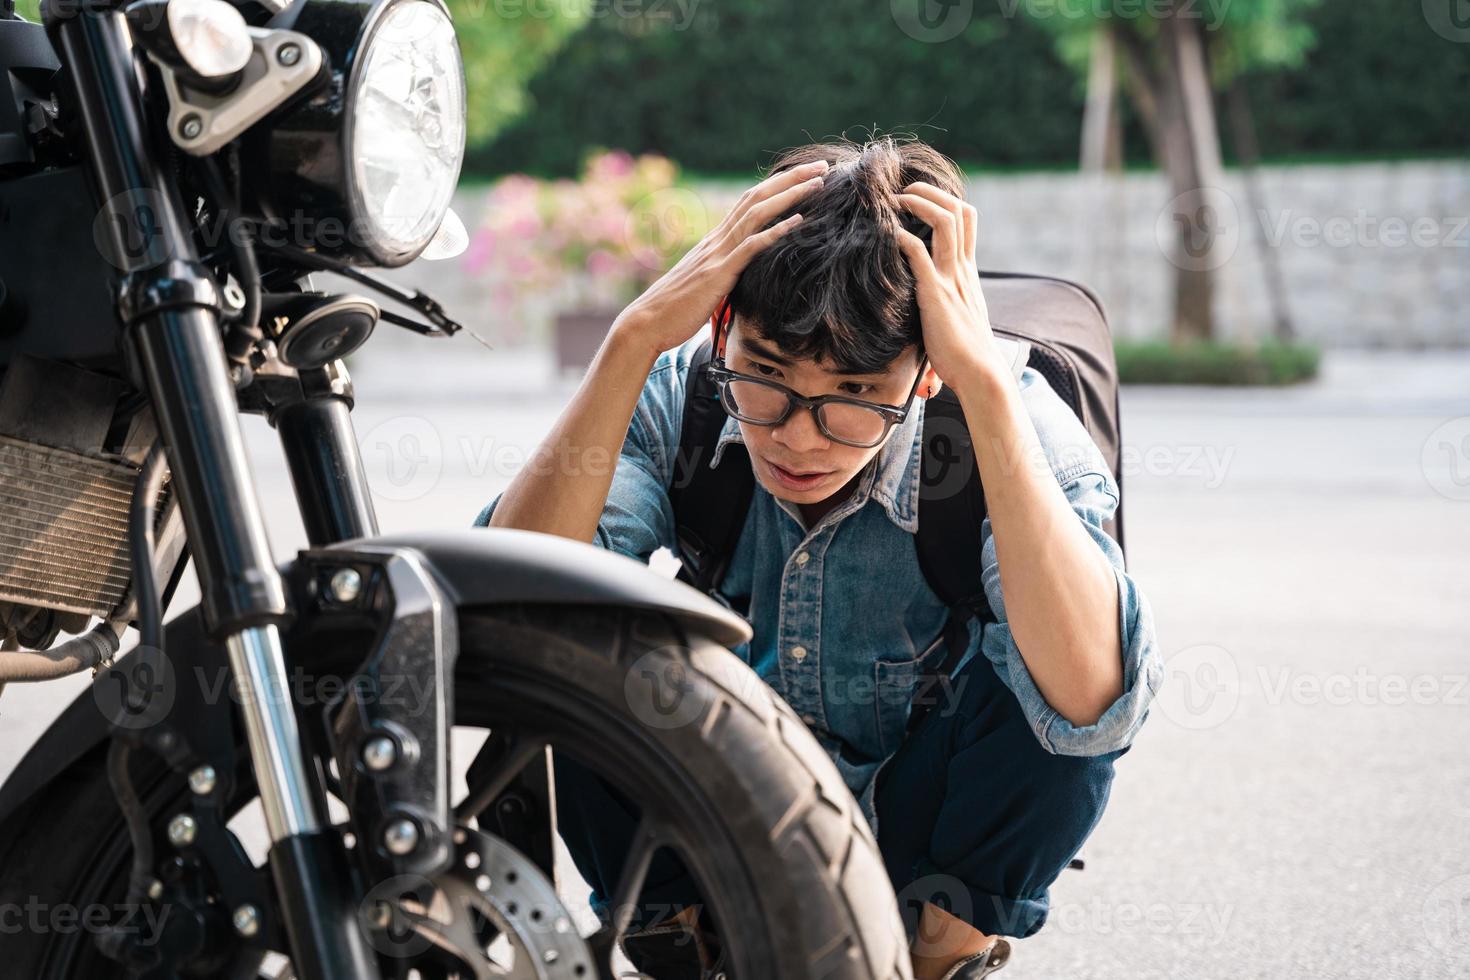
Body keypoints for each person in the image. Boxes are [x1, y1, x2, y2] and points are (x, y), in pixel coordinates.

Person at [475, 136, 1161, 980]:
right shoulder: (682, 391)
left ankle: (938, 953)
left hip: (925, 842)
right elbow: (507, 612)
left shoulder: (1008, 419)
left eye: (858, 396)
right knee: (568, 632)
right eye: (766, 376)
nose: (798, 437)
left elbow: (1094, 700)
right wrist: (631, 339)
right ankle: (684, 937)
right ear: (725, 326)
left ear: (926, 375)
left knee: (1062, 681)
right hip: (719, 810)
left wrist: (981, 387)